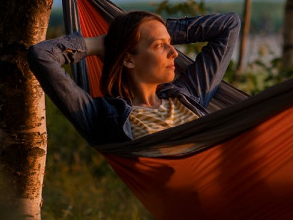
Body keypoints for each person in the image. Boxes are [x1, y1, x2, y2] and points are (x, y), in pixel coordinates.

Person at [27, 10, 240, 145]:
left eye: (170, 43)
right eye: (159, 46)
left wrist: (156, 32)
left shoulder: (188, 95)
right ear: (128, 59)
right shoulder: (103, 117)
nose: (174, 52)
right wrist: (105, 42)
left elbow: (229, 24)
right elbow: (41, 55)